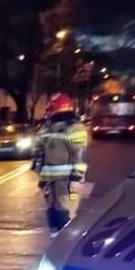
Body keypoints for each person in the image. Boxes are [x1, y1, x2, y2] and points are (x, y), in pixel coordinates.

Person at [32, 93, 89, 236]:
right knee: (53, 211)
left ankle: (65, 243)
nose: (48, 111)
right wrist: (39, 172)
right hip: (49, 181)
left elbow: (80, 154)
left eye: (50, 108)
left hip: (67, 180)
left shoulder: (74, 128)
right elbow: (37, 150)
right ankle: (56, 239)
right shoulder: (48, 127)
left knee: (66, 211)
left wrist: (76, 178)